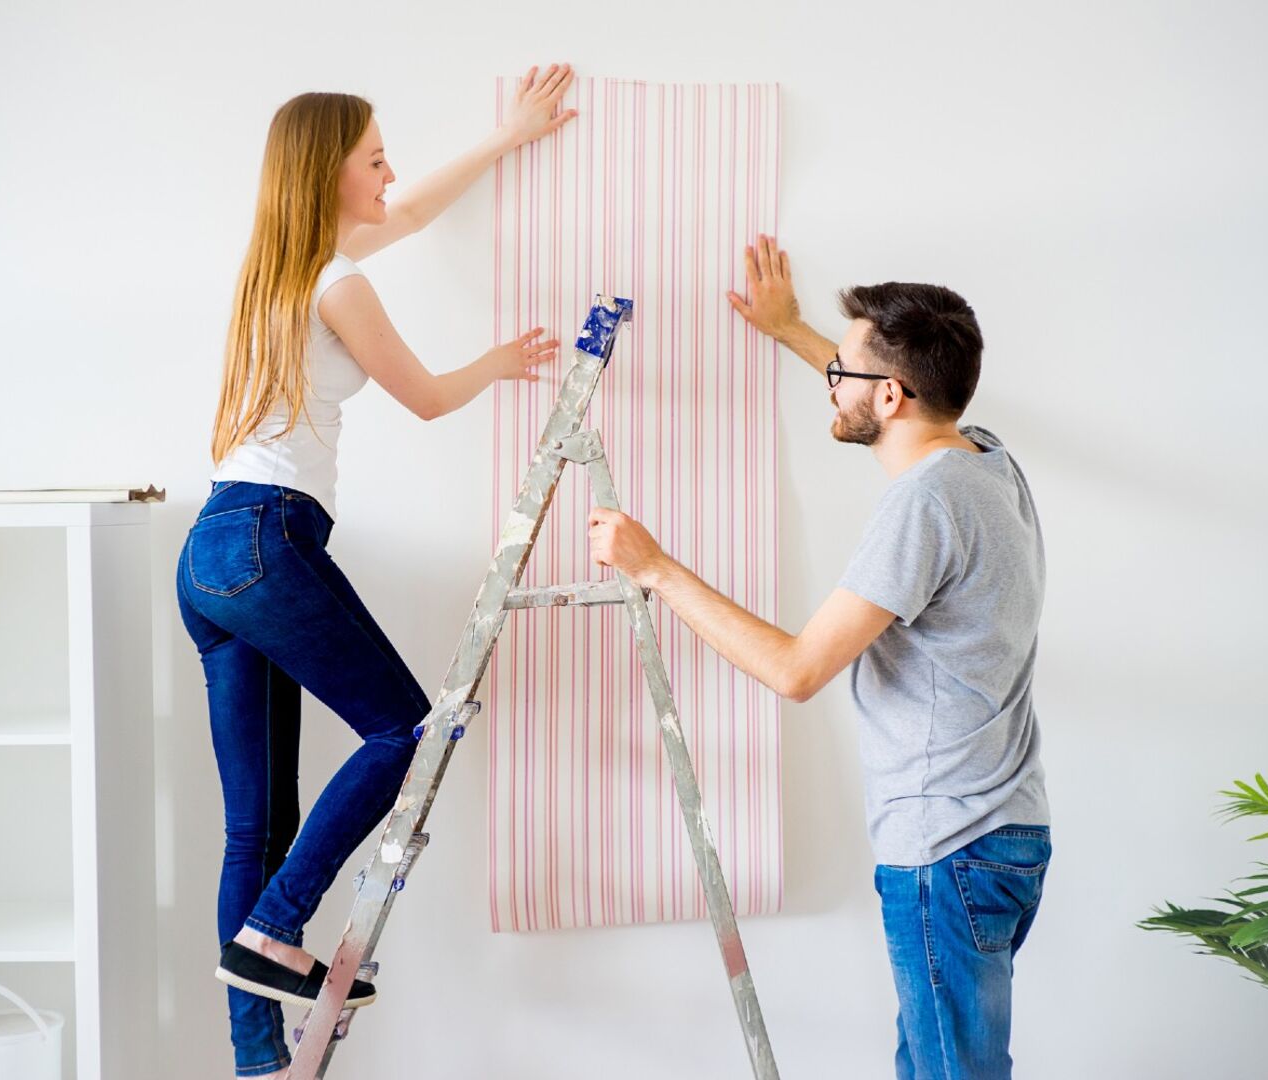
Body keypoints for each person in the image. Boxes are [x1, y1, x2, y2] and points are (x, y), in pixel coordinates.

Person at [176, 65, 577, 1078]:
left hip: (213, 552)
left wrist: (510, 137)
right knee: (407, 727)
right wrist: (501, 362)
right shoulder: (336, 282)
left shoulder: (278, 269)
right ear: (331, 172)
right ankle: (276, 930)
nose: (390, 174)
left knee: (254, 824)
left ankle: (258, 1057)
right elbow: (429, 399)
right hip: (266, 540)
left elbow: (413, 212)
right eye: (376, 159)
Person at [589, 236, 1051, 1079]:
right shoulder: (987, 460)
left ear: (891, 394)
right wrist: (790, 330)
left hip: (945, 849)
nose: (830, 384)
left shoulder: (923, 506)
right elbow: (887, 395)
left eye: (841, 371)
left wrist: (655, 569)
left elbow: (797, 670)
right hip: (1005, 832)